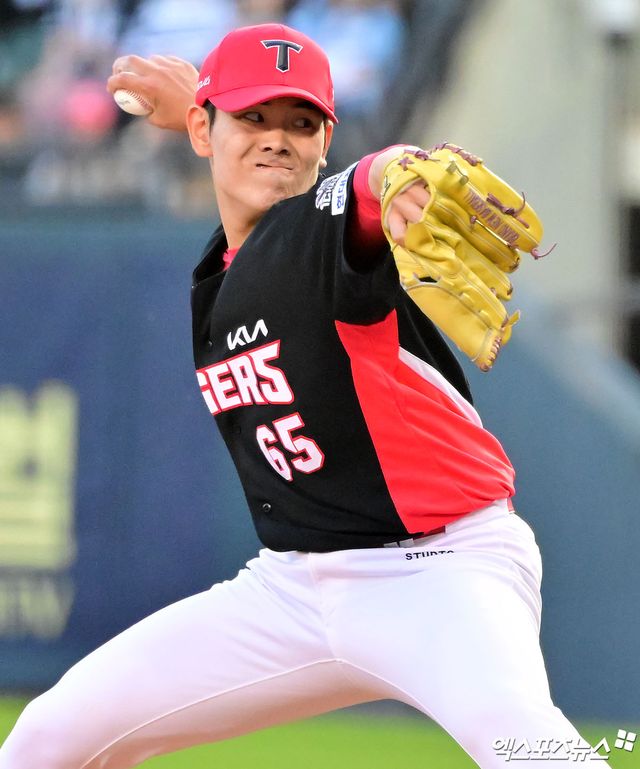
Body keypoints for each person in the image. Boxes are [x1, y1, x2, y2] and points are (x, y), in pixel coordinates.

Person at [0, 22, 606, 769]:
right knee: (47, 737)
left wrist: (395, 170)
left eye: (301, 123)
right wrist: (198, 107)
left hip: (441, 573)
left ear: (326, 143)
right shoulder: (235, 256)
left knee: (533, 751)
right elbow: (254, 167)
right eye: (254, 116)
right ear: (204, 129)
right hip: (293, 587)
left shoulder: (322, 230)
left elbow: (364, 188)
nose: (278, 139)